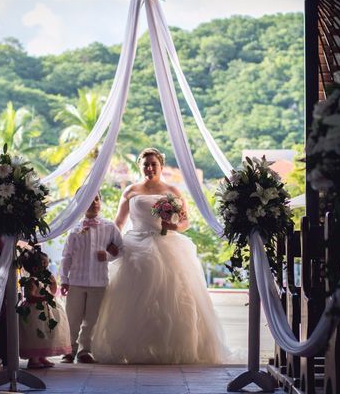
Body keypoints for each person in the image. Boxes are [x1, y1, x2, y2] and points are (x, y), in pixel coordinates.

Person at [93, 147, 229, 364]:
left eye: (153, 164)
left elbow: (185, 222)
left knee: (175, 295)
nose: (149, 168)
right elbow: (118, 223)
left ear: (161, 166)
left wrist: (172, 226)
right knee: (135, 293)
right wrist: (110, 244)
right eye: (145, 164)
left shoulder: (172, 191)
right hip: (135, 243)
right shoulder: (130, 191)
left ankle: (172, 347)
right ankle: (136, 346)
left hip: (168, 243)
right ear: (140, 166)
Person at [59, 192, 122, 364]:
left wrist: (108, 256)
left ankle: (85, 350)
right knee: (73, 317)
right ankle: (69, 350)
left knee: (92, 320)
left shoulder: (110, 227)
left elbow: (121, 249)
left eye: (97, 198)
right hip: (76, 281)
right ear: (80, 202)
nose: (94, 202)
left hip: (99, 282)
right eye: (89, 199)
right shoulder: (74, 229)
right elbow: (66, 256)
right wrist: (64, 279)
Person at [19, 251, 72, 368]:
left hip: (46, 311)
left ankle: (42, 356)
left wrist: (53, 283)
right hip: (35, 312)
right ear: (35, 268)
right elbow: (30, 296)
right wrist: (43, 298)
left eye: (47, 266)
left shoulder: (44, 280)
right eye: (44, 266)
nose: (47, 269)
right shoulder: (32, 281)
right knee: (36, 333)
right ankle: (34, 359)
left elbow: (52, 292)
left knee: (48, 333)